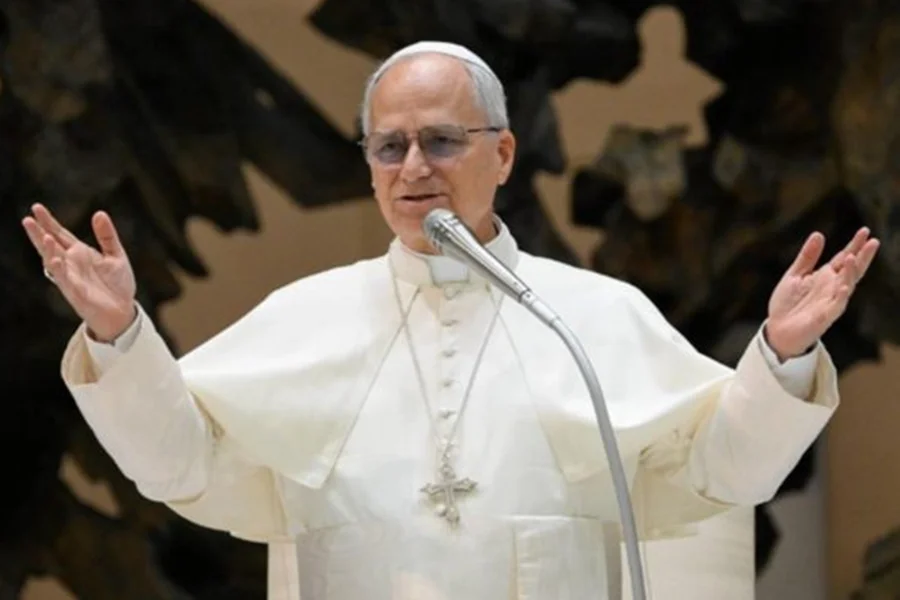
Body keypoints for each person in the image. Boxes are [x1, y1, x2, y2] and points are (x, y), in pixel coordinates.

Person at [22, 41, 879, 600]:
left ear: (503, 153)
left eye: (441, 141)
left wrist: (782, 354)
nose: (413, 169)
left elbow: (725, 474)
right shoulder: (304, 316)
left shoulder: (590, 316)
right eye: (388, 147)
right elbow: (178, 464)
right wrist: (119, 336)